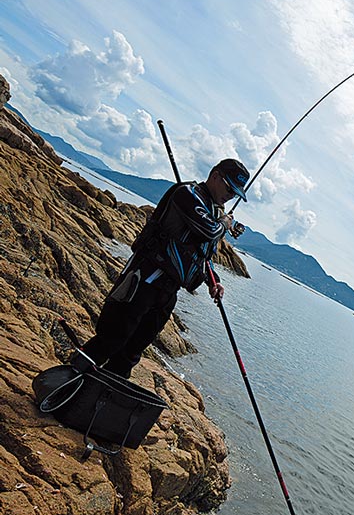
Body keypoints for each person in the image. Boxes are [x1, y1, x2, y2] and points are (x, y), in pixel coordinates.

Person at [73, 158, 250, 379]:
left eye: (236, 193)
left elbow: (202, 253)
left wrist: (213, 280)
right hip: (144, 279)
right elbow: (210, 231)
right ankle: (64, 384)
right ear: (215, 176)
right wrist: (226, 222)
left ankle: (94, 402)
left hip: (168, 292)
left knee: (131, 353)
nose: (231, 196)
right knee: (110, 340)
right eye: (229, 188)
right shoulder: (187, 194)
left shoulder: (213, 211)